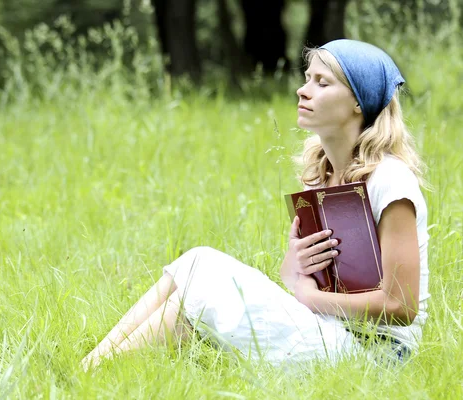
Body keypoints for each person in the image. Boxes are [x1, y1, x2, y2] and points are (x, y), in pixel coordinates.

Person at [81, 39, 430, 371]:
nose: (303, 90)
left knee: (204, 292)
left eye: (322, 83)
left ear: (358, 102)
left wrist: (311, 298)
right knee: (197, 261)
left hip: (377, 353)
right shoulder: (320, 179)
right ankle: (93, 368)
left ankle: (93, 377)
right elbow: (294, 280)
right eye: (307, 78)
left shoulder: (390, 180)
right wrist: (296, 264)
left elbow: (401, 305)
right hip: (327, 327)